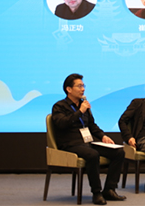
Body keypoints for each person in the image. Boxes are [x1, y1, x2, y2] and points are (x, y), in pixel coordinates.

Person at [51, 74, 126, 205]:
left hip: (87, 143)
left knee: (119, 152)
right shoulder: (59, 106)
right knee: (92, 154)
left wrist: (103, 136)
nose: (83, 89)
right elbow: (62, 124)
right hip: (70, 144)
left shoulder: (83, 105)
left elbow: (91, 125)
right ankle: (96, 193)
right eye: (79, 86)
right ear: (69, 89)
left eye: (83, 86)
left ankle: (109, 189)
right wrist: (80, 111)